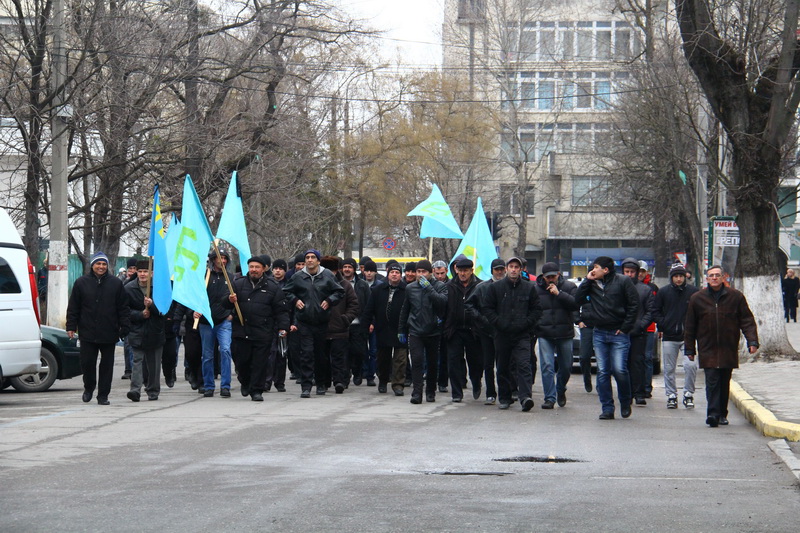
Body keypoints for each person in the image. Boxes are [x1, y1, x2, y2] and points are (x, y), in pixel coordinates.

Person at [684, 265, 759, 427]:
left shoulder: (735, 297)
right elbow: (690, 325)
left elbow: (747, 320)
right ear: (707, 278)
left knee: (724, 381)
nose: (714, 278)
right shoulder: (697, 298)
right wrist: (690, 348)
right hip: (707, 347)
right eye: (711, 275)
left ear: (723, 277)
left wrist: (752, 341)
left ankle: (722, 414)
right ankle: (712, 414)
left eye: (717, 275)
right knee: (712, 381)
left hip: (728, 346)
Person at [574, 256, 639, 420]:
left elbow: (634, 305)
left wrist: (625, 328)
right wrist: (587, 281)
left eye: (596, 267)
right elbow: (577, 300)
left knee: (619, 369)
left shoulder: (623, 281)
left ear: (606, 270)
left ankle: (625, 401)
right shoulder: (591, 284)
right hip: (600, 332)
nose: (593, 270)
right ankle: (607, 408)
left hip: (619, 333)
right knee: (603, 372)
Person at [66, 251, 130, 405]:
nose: (101, 267)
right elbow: (74, 306)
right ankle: (88, 388)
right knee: (87, 363)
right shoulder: (81, 283)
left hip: (109, 330)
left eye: (103, 264)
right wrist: (71, 326)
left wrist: (124, 326)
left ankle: (103, 395)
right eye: (98, 264)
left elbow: (123, 307)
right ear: (92, 265)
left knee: (107, 366)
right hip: (87, 331)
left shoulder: (116, 283)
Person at [481, 257, 542, 412]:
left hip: (522, 334)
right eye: (511, 267)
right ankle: (505, 397)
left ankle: (525, 397)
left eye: (516, 267)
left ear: (521, 269)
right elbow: (487, 308)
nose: (514, 269)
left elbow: (536, 310)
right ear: (507, 269)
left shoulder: (529, 288)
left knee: (524, 365)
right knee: (503, 366)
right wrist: (499, 323)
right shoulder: (496, 288)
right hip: (502, 334)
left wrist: (526, 323)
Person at [282, 249, 345, 398]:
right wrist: (295, 300)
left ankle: (321, 383)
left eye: (312, 257)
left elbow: (339, 292)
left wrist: (329, 301)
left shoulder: (327, 275)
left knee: (320, 354)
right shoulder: (298, 276)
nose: (310, 260)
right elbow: (286, 291)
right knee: (306, 354)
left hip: (322, 321)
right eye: (307, 257)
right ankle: (306, 386)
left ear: (318, 261)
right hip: (304, 321)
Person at [226, 256, 289, 401]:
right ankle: (245, 381)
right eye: (251, 267)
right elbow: (225, 304)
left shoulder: (272, 287)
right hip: (242, 331)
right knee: (242, 362)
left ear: (264, 269)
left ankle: (256, 390)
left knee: (260, 363)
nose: (254, 270)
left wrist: (283, 327)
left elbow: (281, 310)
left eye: (257, 267)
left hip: (262, 331)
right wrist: (229, 300)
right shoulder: (238, 284)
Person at [398, 259, 448, 404]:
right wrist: (401, 329)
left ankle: (431, 391)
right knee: (417, 361)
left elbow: (442, 302)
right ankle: (417, 393)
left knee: (432, 363)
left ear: (430, 273)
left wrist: (428, 288)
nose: (421, 275)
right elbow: (405, 309)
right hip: (415, 331)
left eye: (424, 272)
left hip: (433, 331)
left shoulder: (440, 286)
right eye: (418, 272)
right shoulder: (410, 288)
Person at [652, 263, 699, 409]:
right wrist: (664, 324)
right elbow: (655, 311)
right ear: (671, 277)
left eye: (681, 276)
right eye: (676, 276)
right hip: (669, 336)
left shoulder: (693, 292)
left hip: (688, 337)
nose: (678, 279)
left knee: (690, 366)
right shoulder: (664, 292)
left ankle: (688, 394)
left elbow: (700, 311)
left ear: (685, 277)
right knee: (669, 368)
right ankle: (671, 395)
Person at [534, 262, 578, 409]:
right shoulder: (536, 289)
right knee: (547, 365)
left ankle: (560, 388)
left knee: (566, 366)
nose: (551, 279)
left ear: (558, 274)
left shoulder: (569, 287)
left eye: (553, 276)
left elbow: (575, 304)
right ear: (543, 277)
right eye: (548, 277)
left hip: (564, 333)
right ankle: (549, 398)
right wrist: (537, 325)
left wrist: (559, 294)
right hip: (545, 333)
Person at [194, 249, 234, 398]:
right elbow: (194, 296)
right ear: (212, 260)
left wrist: (232, 314)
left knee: (225, 350)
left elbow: (237, 297)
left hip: (224, 320)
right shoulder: (204, 276)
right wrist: (194, 311)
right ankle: (209, 385)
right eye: (218, 258)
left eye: (224, 258)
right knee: (207, 355)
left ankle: (225, 386)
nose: (222, 261)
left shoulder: (231, 278)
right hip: (206, 321)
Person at [465, 258, 506, 405]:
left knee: (504, 364)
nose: (499, 272)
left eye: (501, 269)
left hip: (504, 331)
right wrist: (481, 319)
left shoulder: (510, 286)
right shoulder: (482, 287)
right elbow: (469, 305)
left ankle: (505, 393)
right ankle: (490, 393)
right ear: (492, 271)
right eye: (497, 269)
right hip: (486, 331)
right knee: (488, 364)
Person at [363, 262, 408, 395]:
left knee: (400, 359)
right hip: (382, 329)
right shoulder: (378, 290)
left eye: (397, 272)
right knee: (383, 358)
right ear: (388, 274)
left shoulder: (407, 290)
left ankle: (398, 384)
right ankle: (383, 381)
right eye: (392, 272)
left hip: (401, 330)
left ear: (400, 275)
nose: (394, 275)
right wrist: (365, 325)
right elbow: (369, 310)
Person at [125, 260, 166, 402]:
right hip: (137, 331)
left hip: (155, 331)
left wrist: (152, 305)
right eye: (140, 271)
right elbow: (125, 311)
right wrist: (140, 314)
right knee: (137, 361)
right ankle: (135, 390)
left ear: (152, 273)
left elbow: (165, 310)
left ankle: (153, 390)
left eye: (145, 271)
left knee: (154, 364)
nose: (143, 274)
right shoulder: (129, 288)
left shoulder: (159, 288)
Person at [318, 256, 360, 394]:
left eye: (332, 270)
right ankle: (323, 382)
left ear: (337, 271)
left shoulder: (345, 285)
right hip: (321, 327)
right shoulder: (317, 284)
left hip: (339, 328)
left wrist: (345, 319)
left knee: (339, 357)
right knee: (322, 357)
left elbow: (354, 305)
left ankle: (340, 381)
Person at [443, 257, 482, 402]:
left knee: (475, 362)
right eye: (460, 270)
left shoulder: (479, 286)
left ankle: (476, 382)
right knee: (453, 362)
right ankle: (456, 393)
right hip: (454, 330)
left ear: (471, 271)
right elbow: (444, 308)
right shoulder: (449, 286)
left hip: (473, 330)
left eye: (466, 270)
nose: (463, 273)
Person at [621, 257, 654, 407]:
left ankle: (639, 393)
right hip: (620, 332)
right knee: (622, 365)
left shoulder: (645, 289)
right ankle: (626, 393)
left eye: (632, 272)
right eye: (626, 271)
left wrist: (641, 325)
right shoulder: (617, 287)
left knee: (638, 363)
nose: (629, 274)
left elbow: (650, 311)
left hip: (638, 333)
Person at [341, 257, 370, 386]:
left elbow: (369, 304)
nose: (347, 269)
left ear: (354, 269)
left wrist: (369, 322)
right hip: (342, 324)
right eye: (345, 267)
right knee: (343, 352)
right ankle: (345, 376)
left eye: (349, 267)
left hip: (358, 324)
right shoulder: (337, 283)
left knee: (358, 351)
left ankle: (357, 372)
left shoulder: (362, 285)